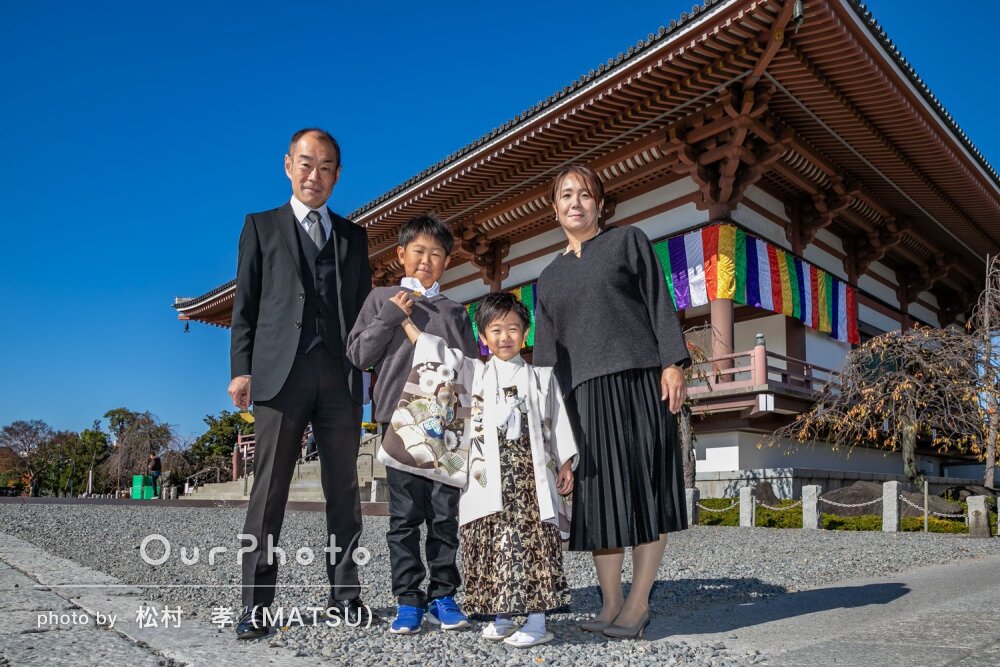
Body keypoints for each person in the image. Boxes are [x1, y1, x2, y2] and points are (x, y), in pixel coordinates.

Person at [533, 164, 691, 640]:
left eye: (585, 194)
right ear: (554, 208)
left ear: (600, 204)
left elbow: (659, 301)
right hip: (583, 398)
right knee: (599, 501)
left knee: (644, 492)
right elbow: (546, 360)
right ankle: (610, 603)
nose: (575, 202)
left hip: (640, 381)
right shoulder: (549, 277)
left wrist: (672, 362)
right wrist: (552, 431)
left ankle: (639, 604)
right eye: (566, 195)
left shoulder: (628, 242)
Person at [228, 128, 375, 640]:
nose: (316, 175)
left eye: (327, 167)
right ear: (288, 165)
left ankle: (346, 596)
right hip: (278, 374)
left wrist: (370, 369)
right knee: (268, 493)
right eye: (307, 164)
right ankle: (256, 605)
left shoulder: (353, 237)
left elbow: (360, 313)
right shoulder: (261, 227)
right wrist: (240, 369)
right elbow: (244, 306)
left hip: (339, 375)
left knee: (343, 492)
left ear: (338, 174)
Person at [397, 292, 578, 647]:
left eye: (513, 328)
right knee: (495, 545)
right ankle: (503, 616)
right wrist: (405, 322)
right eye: (495, 330)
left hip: (529, 479)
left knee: (531, 545)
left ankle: (538, 622)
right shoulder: (475, 373)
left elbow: (558, 422)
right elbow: (439, 354)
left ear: (525, 333)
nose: (505, 337)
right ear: (483, 337)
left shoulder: (542, 377)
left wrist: (567, 461)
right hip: (487, 478)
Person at [346, 215, 478, 635]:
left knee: (444, 513)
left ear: (447, 261)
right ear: (401, 254)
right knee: (404, 517)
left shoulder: (454, 311)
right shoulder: (381, 298)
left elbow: (471, 367)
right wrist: (389, 316)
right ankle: (407, 598)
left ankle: (443, 594)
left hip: (446, 424)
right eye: (418, 252)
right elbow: (358, 354)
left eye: (436, 253)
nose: (426, 260)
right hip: (397, 421)